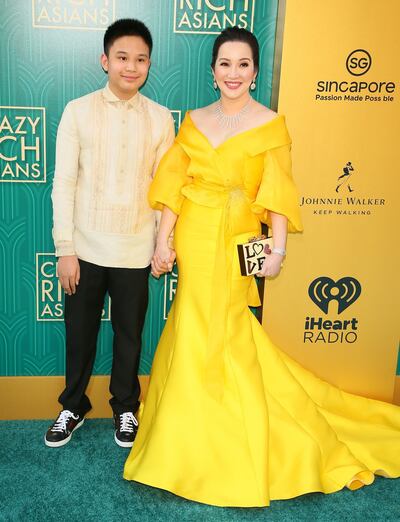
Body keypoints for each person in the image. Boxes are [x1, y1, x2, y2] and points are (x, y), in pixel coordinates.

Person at [123, 27, 400, 507]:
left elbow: (277, 193)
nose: (234, 73)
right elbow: (175, 186)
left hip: (236, 240)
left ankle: (229, 439)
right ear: (212, 72)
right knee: (191, 324)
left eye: (244, 64)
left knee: (227, 328)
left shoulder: (271, 124)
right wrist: (163, 241)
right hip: (195, 233)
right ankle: (184, 439)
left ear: (255, 70)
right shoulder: (193, 123)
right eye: (225, 64)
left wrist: (277, 249)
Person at [45, 19, 175, 448]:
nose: (131, 67)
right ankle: (73, 405)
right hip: (83, 249)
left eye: (140, 59)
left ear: (149, 65)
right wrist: (65, 248)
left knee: (130, 335)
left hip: (136, 250)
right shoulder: (77, 111)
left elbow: (165, 189)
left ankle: (125, 408)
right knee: (80, 334)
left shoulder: (160, 120)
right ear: (105, 61)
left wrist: (162, 244)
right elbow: (63, 182)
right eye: (122, 58)